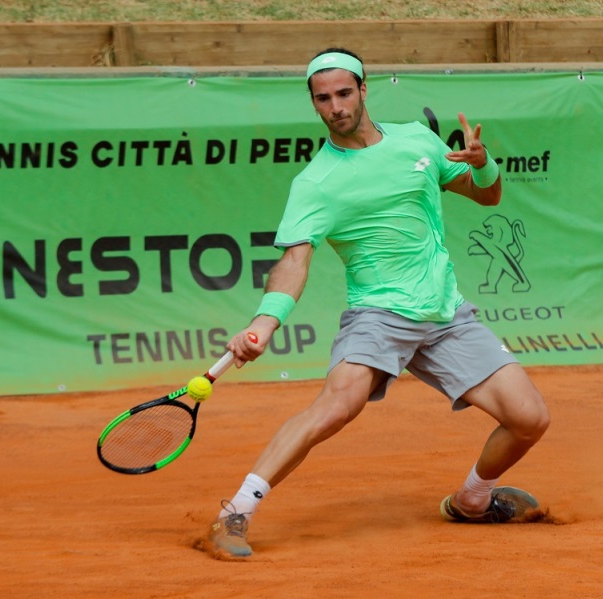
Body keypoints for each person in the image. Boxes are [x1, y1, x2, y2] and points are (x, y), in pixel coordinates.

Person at [205, 48, 549, 559]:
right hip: (378, 316)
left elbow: (487, 195)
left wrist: (483, 165)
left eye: (345, 93)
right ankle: (234, 513)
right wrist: (265, 322)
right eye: (324, 99)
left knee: (530, 419)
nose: (336, 107)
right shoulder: (315, 182)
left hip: (445, 314)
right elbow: (294, 262)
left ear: (364, 90)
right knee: (334, 410)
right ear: (314, 104)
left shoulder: (417, 140)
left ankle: (472, 501)